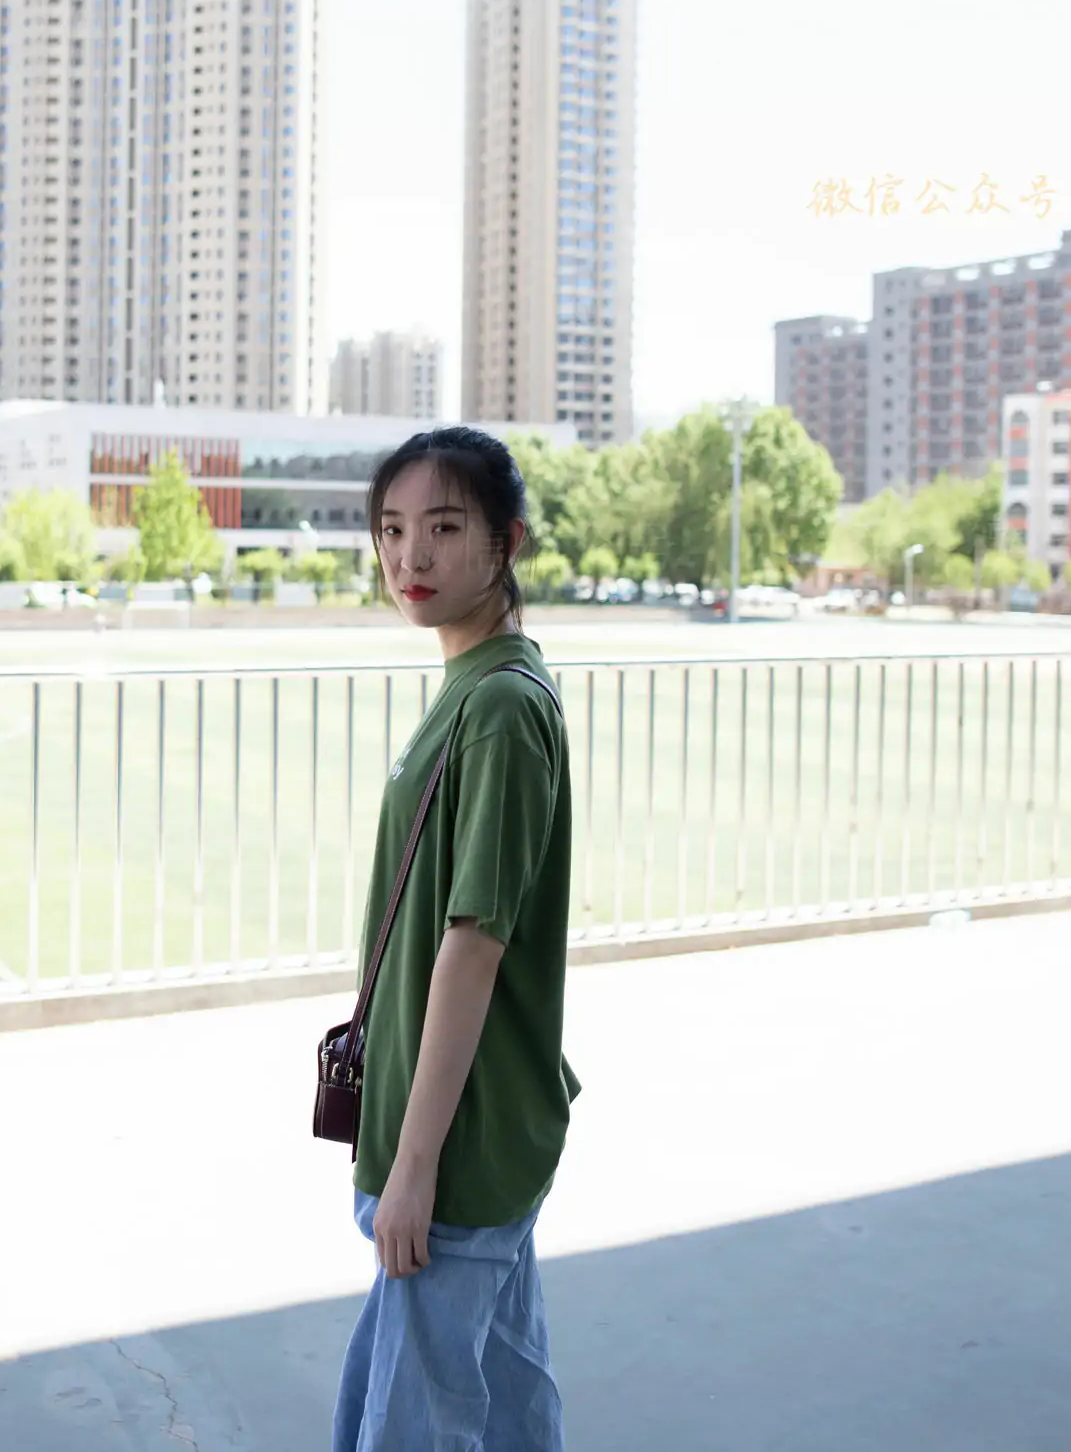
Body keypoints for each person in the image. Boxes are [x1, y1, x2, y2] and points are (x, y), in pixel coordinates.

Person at [334, 425, 580, 1452]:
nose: (410, 558)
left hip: (459, 1147)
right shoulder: (477, 688)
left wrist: (416, 1166)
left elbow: (472, 947)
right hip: (472, 1133)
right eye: (392, 530)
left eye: (443, 527)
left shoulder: (500, 708)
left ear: (507, 541)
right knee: (509, 1396)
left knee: (407, 1424)